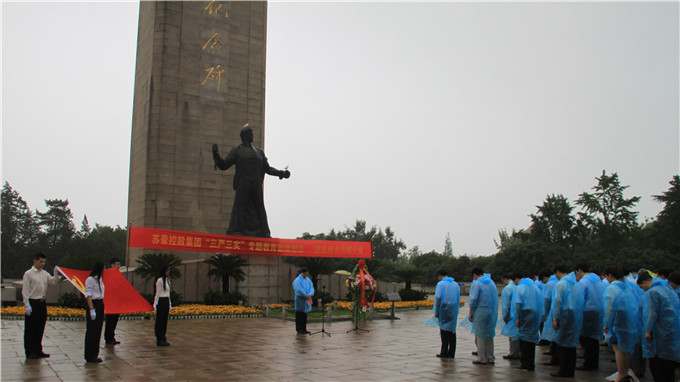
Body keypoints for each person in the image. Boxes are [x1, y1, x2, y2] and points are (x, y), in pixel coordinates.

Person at [212, 124, 290, 238]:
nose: (252, 135)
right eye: (250, 133)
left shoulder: (259, 152)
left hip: (256, 184)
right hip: (243, 183)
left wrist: (281, 173)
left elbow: (267, 169)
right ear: (244, 136)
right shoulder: (237, 151)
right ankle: (235, 231)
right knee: (239, 207)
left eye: (252, 133)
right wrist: (216, 155)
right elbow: (224, 165)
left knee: (260, 207)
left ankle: (265, 233)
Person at [541, 265, 584, 378]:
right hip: (575, 314)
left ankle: (563, 369)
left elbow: (557, 302)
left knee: (563, 344)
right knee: (571, 344)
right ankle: (570, 370)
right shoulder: (575, 283)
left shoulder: (561, 284)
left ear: (558, 272)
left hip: (564, 314)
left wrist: (555, 318)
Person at [637, 272, 680, 382]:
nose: (643, 290)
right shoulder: (668, 290)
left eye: (642, 287)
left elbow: (652, 313)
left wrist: (647, 330)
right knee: (669, 363)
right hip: (671, 331)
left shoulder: (653, 292)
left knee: (658, 364)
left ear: (646, 282)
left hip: (659, 331)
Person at [603, 265, 640, 382]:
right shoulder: (626, 286)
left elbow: (609, 308)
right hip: (628, 320)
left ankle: (620, 374)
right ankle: (624, 373)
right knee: (626, 349)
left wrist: (606, 323)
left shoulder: (612, 288)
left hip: (617, 320)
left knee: (618, 349)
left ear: (610, 276)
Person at [22, 252, 61, 359]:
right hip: (33, 302)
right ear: (34, 261)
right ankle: (30, 352)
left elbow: (53, 282)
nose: (42, 264)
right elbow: (25, 290)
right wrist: (27, 305)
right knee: (31, 329)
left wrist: (56, 274)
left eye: (44, 262)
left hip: (42, 303)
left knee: (40, 327)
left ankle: (38, 350)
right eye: (40, 261)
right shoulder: (28, 274)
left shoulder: (44, 273)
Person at [574, 263, 604, 371]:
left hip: (587, 311)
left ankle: (588, 364)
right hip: (598, 310)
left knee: (586, 338)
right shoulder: (597, 280)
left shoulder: (584, 281)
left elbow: (580, 298)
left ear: (579, 270)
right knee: (594, 339)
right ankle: (593, 363)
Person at [511, 276, 543, 371]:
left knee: (524, 340)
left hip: (525, 313)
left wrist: (517, 317)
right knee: (531, 339)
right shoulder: (535, 288)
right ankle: (530, 363)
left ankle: (525, 363)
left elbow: (518, 304)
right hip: (535, 314)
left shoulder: (520, 288)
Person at [469, 268, 498, 365]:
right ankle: (490, 357)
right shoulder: (491, 283)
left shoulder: (477, 283)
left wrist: (471, 311)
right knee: (489, 334)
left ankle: (482, 358)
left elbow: (473, 299)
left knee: (480, 334)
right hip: (491, 310)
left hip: (480, 310)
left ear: (475, 275)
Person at [433, 270, 460, 358]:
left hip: (444, 308)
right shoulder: (455, 284)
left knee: (444, 331)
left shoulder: (440, 284)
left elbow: (438, 298)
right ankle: (451, 352)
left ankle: (444, 352)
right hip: (453, 308)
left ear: (440, 276)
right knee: (452, 331)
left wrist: (436, 311)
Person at [84, 261, 105, 363]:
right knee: (92, 331)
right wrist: (92, 309)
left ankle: (95, 354)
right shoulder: (90, 280)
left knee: (98, 331)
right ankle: (89, 355)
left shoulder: (100, 279)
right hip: (93, 304)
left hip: (100, 303)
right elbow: (88, 295)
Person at [500, 274, 520, 360]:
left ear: (505, 279)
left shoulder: (508, 288)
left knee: (512, 334)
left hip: (511, 314)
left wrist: (505, 314)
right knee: (518, 333)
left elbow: (506, 303)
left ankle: (513, 353)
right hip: (518, 313)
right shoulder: (517, 286)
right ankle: (518, 352)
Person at [104, 257, 122, 345]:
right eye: (117, 264)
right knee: (110, 321)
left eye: (119, 264)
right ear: (112, 265)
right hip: (110, 302)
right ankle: (108, 338)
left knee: (115, 320)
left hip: (116, 302)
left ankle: (112, 337)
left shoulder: (118, 274)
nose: (118, 266)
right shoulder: (107, 274)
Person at [153, 264, 172, 346]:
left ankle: (163, 337)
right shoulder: (160, 280)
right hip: (161, 300)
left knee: (164, 321)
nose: (168, 272)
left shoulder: (167, 280)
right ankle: (159, 338)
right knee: (160, 320)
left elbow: (168, 293)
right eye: (167, 270)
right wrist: (155, 303)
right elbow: (157, 292)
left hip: (166, 300)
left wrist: (170, 303)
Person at [293, 268, 314, 334]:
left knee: (304, 315)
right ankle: (299, 329)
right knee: (299, 314)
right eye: (306, 273)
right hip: (300, 299)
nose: (307, 274)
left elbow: (311, 287)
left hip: (307, 299)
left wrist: (310, 294)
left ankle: (304, 329)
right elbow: (299, 289)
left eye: (307, 273)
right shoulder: (297, 280)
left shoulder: (308, 280)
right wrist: (305, 295)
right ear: (302, 273)